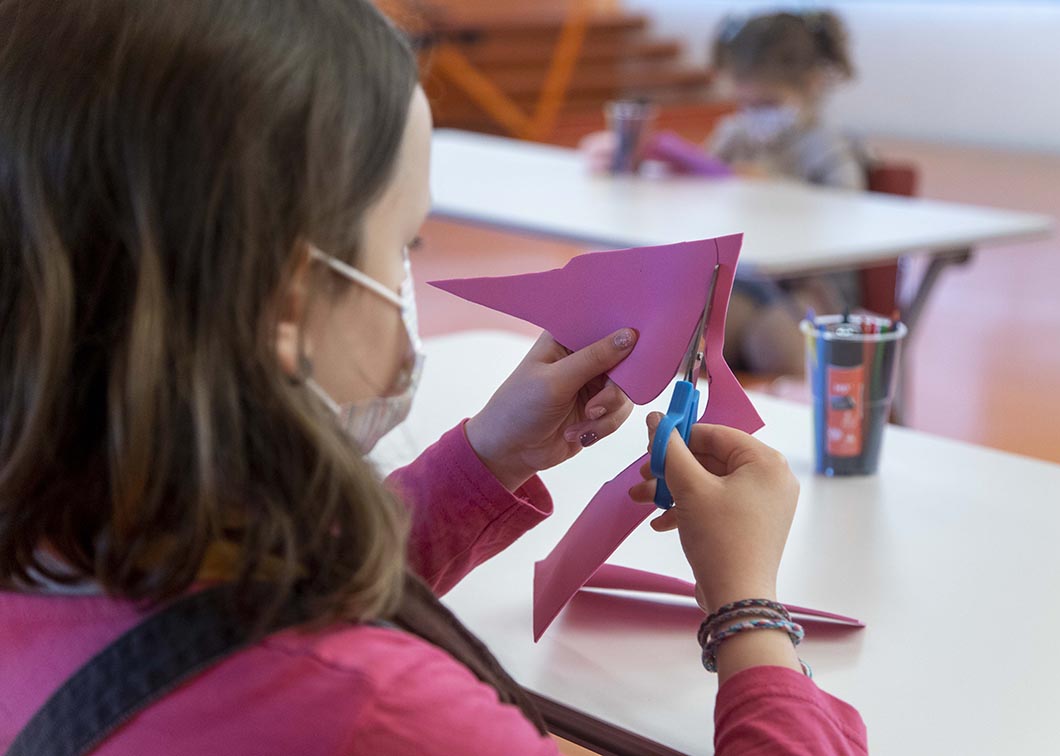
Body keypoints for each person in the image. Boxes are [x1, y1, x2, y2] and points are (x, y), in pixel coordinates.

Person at [0, 1, 866, 754]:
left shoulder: (63, 539)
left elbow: (238, 612)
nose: (410, 276)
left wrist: (485, 459)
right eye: (404, 245)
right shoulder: (385, 720)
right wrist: (749, 612)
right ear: (294, 302)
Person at [582, 10, 865, 377]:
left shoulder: (825, 146)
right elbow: (700, 182)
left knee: (773, 342)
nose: (754, 116)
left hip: (805, 288)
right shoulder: (736, 134)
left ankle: (790, 417)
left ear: (812, 85)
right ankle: (701, 425)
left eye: (768, 105)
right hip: (743, 281)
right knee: (689, 338)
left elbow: (852, 213)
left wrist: (781, 193)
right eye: (746, 104)